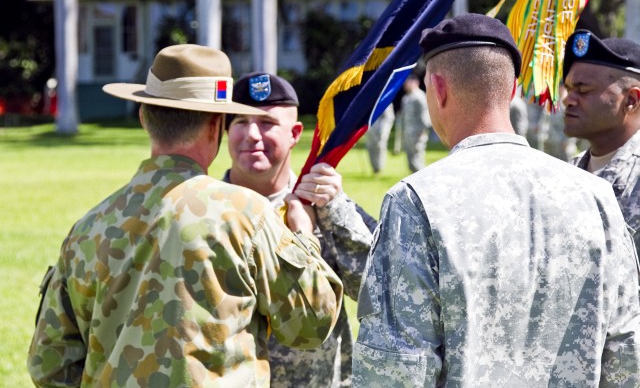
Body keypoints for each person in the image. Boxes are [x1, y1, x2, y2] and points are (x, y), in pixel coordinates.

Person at [27, 45, 344, 387]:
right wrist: (304, 236)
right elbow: (311, 324)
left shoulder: (89, 228)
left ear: (144, 118)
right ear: (215, 125)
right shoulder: (248, 215)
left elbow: (50, 366)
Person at [353, 13, 640, 386]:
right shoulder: (595, 195)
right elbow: (625, 355)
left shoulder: (417, 200)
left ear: (438, 90)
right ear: (511, 91)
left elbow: (395, 372)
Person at [224, 72, 375, 387]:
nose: (252, 134)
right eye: (240, 122)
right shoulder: (208, 209)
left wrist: (335, 210)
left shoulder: (325, 207)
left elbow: (374, 293)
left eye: (267, 123)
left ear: (294, 134)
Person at [562, 29, 640, 251]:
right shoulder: (570, 171)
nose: (568, 100)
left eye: (583, 90)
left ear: (631, 100)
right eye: (568, 89)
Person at [400, 73, 431, 172]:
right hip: (408, 133)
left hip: (417, 133)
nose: (405, 84)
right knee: (410, 159)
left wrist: (423, 130)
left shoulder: (419, 96)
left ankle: (422, 179)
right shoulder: (406, 98)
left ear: (415, 82)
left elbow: (425, 115)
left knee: (417, 157)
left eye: (408, 82)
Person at [366, 104, 395, 173]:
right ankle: (374, 168)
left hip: (380, 131)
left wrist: (384, 131)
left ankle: (379, 167)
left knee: (380, 147)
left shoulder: (385, 99)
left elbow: (388, 117)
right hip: (371, 130)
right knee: (371, 147)